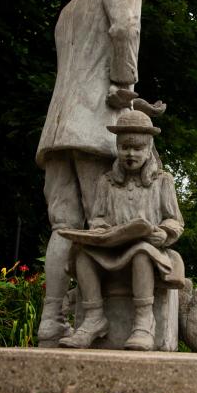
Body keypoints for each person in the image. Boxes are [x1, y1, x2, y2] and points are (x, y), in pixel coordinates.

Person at [35, 0, 152, 346]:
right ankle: (119, 323)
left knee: (63, 227)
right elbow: (125, 28)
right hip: (95, 123)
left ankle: (51, 320)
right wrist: (125, 87)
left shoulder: (69, 8)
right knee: (107, 218)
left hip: (56, 130)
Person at [57, 110, 184, 351]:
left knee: (141, 252)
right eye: (125, 147)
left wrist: (165, 233)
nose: (130, 154)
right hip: (112, 250)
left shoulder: (162, 181)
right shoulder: (107, 181)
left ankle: (144, 323)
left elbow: (175, 221)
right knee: (82, 253)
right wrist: (99, 230)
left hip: (150, 251)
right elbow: (98, 218)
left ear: (149, 149)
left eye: (137, 149)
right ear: (117, 147)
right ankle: (94, 319)